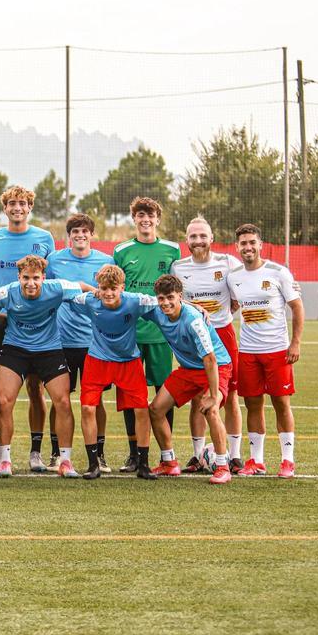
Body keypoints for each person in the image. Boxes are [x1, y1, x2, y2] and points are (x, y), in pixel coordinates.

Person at [0, 255, 91, 477]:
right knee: (3, 401)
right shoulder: (5, 293)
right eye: (25, 277)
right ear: (18, 277)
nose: (30, 283)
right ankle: (5, 460)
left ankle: (65, 461)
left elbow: (83, 287)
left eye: (35, 278)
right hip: (15, 348)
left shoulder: (57, 287)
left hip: (49, 349)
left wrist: (100, 296)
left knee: (62, 401)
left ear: (44, 277)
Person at [0, 186, 58, 473]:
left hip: (38, 325)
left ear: (30, 207)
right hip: (3, 324)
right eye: (12, 203)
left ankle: (36, 453)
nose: (17, 207)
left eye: (23, 203)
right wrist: (4, 306)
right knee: (0, 391)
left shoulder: (44, 238)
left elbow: (50, 280)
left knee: (36, 387)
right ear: (5, 208)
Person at [63, 265, 158, 480]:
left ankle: (143, 464)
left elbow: (163, 301)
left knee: (141, 410)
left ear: (122, 288)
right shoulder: (90, 300)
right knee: (88, 408)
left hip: (129, 362)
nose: (108, 293)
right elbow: (67, 292)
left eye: (113, 288)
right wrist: (88, 289)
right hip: (97, 360)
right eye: (104, 288)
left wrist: (198, 308)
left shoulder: (136, 301)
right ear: (99, 287)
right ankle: (93, 464)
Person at [140, 275, 234, 485]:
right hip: (189, 369)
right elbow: (132, 299)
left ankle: (222, 466)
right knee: (155, 409)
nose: (165, 303)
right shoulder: (157, 311)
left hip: (217, 366)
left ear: (179, 297)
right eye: (161, 298)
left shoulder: (193, 320)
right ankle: (169, 462)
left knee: (210, 410)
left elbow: (210, 359)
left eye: (170, 297)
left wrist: (211, 395)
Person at [111, 197, 182, 472]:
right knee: (130, 395)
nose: (145, 219)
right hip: (131, 335)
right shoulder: (122, 251)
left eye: (150, 215)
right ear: (134, 219)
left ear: (157, 219)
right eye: (140, 215)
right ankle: (134, 455)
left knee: (166, 393)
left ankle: (167, 454)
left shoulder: (172, 250)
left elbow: (180, 288)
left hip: (162, 334)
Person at [228, 223, 304, 479]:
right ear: (237, 247)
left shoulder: (278, 272)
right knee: (252, 404)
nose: (248, 247)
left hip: (277, 350)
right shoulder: (234, 277)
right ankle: (256, 461)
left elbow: (297, 307)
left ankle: (287, 460)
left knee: (281, 403)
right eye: (243, 243)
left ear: (260, 244)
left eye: (252, 242)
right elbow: (232, 305)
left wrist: (295, 343)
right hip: (248, 351)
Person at [171, 216, 244, 474]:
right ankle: (197, 455)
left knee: (231, 395)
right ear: (187, 240)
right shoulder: (178, 268)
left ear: (212, 238)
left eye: (203, 236)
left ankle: (234, 455)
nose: (199, 241)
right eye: (193, 237)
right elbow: (174, 299)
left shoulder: (228, 263)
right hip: (192, 338)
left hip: (222, 334)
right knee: (196, 397)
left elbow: (245, 290)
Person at [46, 213, 114, 471]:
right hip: (60, 341)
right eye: (75, 231)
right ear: (69, 236)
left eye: (85, 231)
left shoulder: (106, 262)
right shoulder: (55, 259)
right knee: (59, 399)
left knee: (95, 401)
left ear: (92, 235)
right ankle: (56, 453)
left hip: (94, 342)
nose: (80, 235)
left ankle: (100, 454)